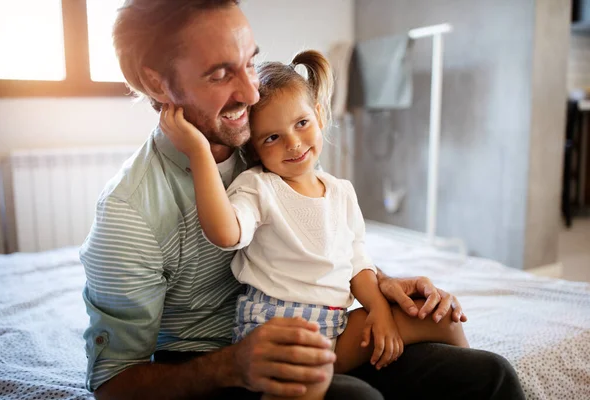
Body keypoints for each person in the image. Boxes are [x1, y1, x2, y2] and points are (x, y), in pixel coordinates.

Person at [80, 1, 525, 399]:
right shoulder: (129, 212)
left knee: (490, 375)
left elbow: (311, 234)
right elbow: (113, 383)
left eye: (249, 63)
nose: (252, 94)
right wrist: (232, 365)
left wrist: (381, 286)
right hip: (215, 368)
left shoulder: (260, 136)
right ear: (156, 82)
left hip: (317, 328)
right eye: (219, 74)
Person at [159, 49, 470, 400]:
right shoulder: (258, 186)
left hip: (336, 325)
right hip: (279, 332)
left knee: (442, 320)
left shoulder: (341, 192)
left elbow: (358, 263)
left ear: (319, 116)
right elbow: (225, 233)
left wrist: (380, 311)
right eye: (272, 138)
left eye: (301, 123)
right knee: (318, 386)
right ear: (256, 150)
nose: (293, 142)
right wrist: (198, 152)